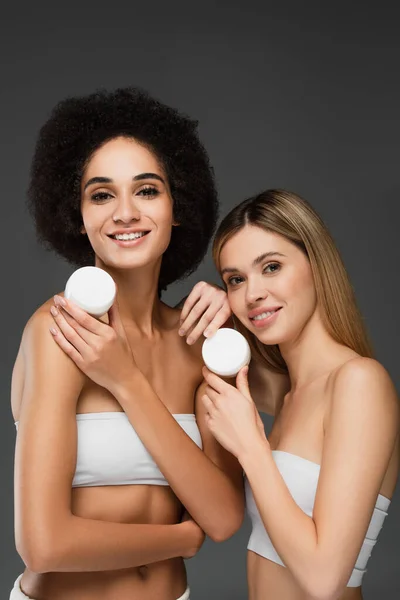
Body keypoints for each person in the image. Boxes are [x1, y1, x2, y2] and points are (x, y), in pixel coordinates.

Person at [10, 87, 246, 600]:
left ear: (177, 205)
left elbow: (225, 516)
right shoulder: (59, 333)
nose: (124, 213)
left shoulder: (197, 341)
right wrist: (180, 538)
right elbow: (43, 544)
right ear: (77, 216)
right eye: (101, 194)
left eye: (146, 190)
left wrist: (126, 380)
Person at [199, 189, 399, 600]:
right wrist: (207, 305)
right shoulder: (288, 395)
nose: (251, 293)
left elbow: (325, 579)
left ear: (316, 264)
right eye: (235, 279)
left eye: (271, 267)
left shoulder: (359, 382)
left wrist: (252, 449)